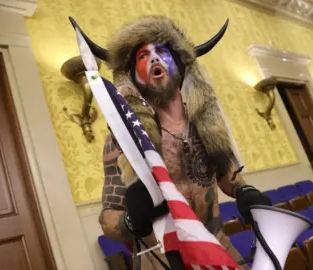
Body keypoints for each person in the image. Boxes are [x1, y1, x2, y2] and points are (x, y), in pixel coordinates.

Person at [83, 15, 272, 269]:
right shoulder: (123, 140)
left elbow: (228, 177)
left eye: (162, 51)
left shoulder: (207, 127)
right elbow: (107, 219)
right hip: (162, 258)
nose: (153, 58)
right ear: (132, 75)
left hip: (216, 246)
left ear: (181, 66)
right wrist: (129, 221)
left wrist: (245, 191)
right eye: (142, 56)